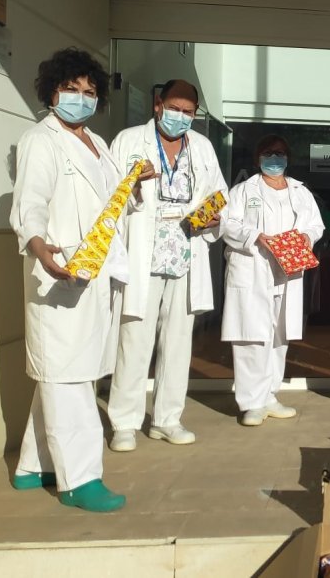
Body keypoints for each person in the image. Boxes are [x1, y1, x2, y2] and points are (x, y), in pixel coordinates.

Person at [10, 48, 155, 512]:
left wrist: (135, 180)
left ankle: (34, 465)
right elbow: (30, 201)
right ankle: (79, 480)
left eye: (89, 92)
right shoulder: (41, 140)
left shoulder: (97, 142)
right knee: (67, 375)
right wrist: (36, 243)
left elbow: (112, 202)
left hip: (98, 270)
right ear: (52, 91)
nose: (80, 98)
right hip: (61, 269)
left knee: (68, 370)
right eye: (71, 89)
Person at [107, 80, 228, 452]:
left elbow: (219, 196)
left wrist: (214, 221)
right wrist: (133, 188)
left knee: (177, 343)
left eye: (188, 112)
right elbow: (109, 196)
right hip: (144, 250)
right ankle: (124, 422)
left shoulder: (203, 147)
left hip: (186, 253)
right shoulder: (128, 141)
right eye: (175, 108)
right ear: (158, 105)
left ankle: (166, 419)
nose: (181, 117)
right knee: (135, 340)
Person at [220, 135, 325, 426]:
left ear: (288, 158)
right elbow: (227, 224)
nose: (275, 159)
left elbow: (316, 224)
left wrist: (306, 237)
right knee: (251, 336)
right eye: (269, 153)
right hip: (253, 266)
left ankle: (269, 395)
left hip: (288, 270)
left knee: (280, 335)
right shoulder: (242, 191)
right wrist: (255, 237)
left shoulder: (300, 191)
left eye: (280, 153)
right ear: (258, 158)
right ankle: (251, 402)